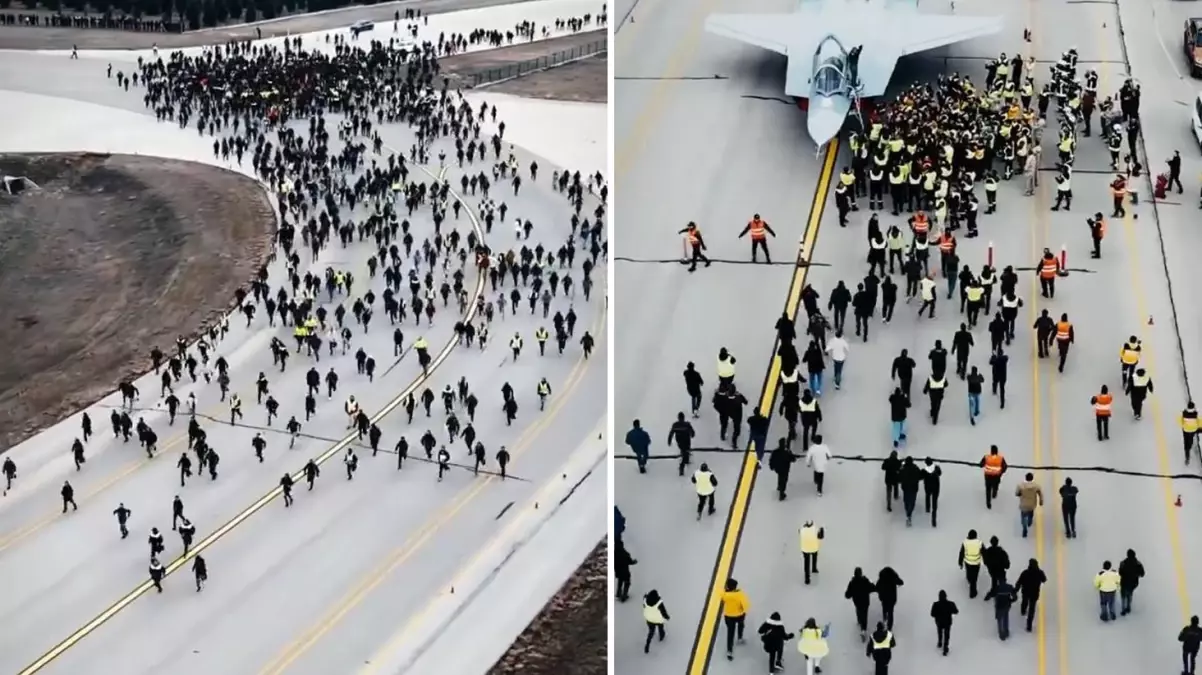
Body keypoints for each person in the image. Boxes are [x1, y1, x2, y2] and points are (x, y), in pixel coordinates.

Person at [721, 578, 750, 660]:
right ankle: (740, 638)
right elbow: (746, 605)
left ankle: (729, 651)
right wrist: (743, 611)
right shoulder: (740, 594)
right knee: (741, 625)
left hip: (729, 616)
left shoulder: (725, 595)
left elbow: (721, 594)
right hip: (739, 615)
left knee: (730, 633)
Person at [930, 589, 958, 656]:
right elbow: (956, 611)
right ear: (946, 596)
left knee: (940, 632)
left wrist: (937, 615)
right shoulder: (950, 604)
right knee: (947, 635)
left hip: (939, 622)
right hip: (948, 622)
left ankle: (940, 642)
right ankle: (945, 647)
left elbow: (932, 614)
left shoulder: (936, 604)